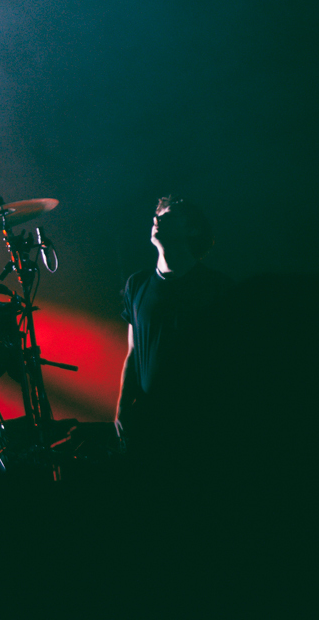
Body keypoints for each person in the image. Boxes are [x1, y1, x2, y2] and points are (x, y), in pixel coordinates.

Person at [115, 195, 233, 463]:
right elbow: (133, 353)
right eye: (158, 216)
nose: (157, 219)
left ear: (193, 229)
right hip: (148, 421)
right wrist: (122, 410)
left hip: (198, 425)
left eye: (169, 216)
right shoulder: (137, 284)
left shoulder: (218, 288)